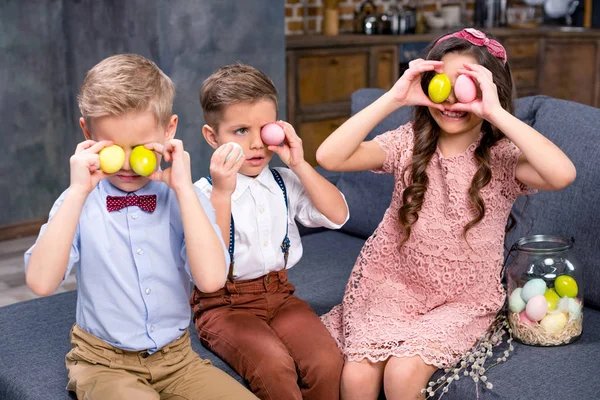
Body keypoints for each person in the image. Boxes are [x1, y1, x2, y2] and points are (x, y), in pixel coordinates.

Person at [317, 28, 576, 400]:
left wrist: (495, 112)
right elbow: (330, 157)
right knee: (356, 378)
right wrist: (393, 97)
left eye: (467, 86)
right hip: (395, 287)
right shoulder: (408, 142)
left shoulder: (500, 156)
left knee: (403, 373)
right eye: (443, 83)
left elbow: (562, 173)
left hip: (463, 298)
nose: (452, 98)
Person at [24, 54, 257, 400]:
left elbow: (210, 281)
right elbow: (41, 283)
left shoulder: (184, 199)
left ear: (169, 130)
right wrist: (76, 192)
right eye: (114, 149)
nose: (129, 164)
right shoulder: (78, 201)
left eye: (141, 148)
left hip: (178, 360)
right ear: (87, 133)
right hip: (103, 363)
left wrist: (183, 190)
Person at [190, 63, 349, 400]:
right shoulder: (201, 194)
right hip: (224, 305)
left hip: (280, 295)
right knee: (274, 367)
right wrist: (222, 191)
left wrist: (299, 164)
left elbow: (338, 215)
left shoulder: (284, 181)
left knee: (327, 361)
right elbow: (210, 269)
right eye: (240, 131)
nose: (255, 144)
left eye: (264, 129)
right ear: (211, 136)